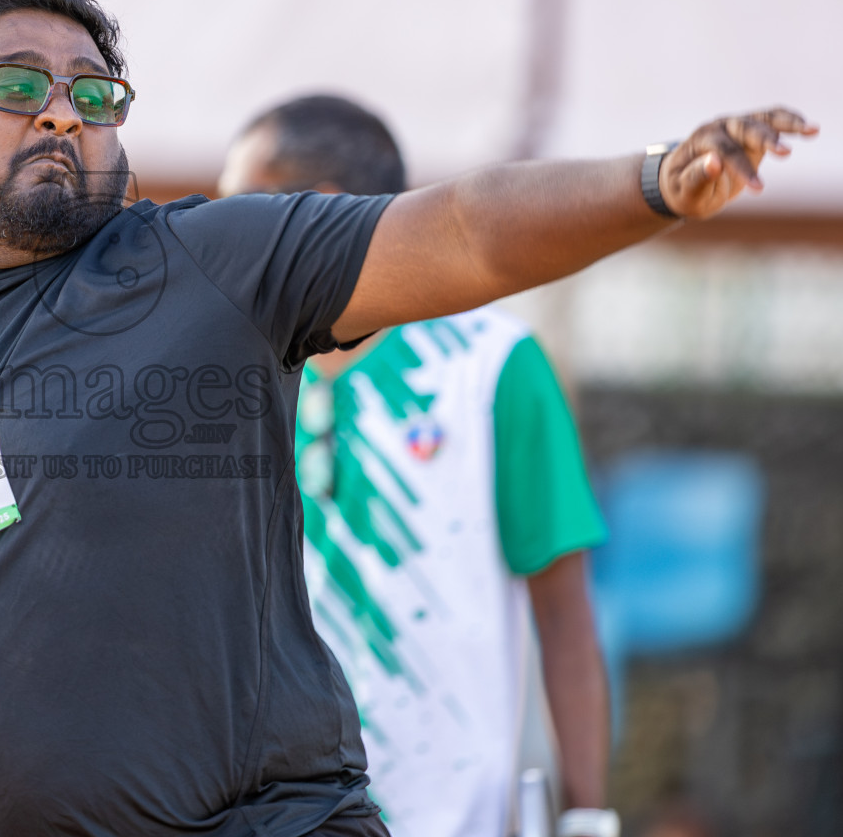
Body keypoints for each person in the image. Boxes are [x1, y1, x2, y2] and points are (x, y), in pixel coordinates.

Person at [0, 0, 815, 837]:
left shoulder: (201, 265)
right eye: (16, 84)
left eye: (96, 93)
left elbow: (465, 231)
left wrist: (651, 180)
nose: (64, 105)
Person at [218, 95, 613, 837]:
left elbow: (564, 611)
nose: (220, 241)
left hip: (450, 819)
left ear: (320, 215)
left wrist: (589, 815)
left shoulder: (493, 369)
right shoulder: (217, 381)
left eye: (242, 212)